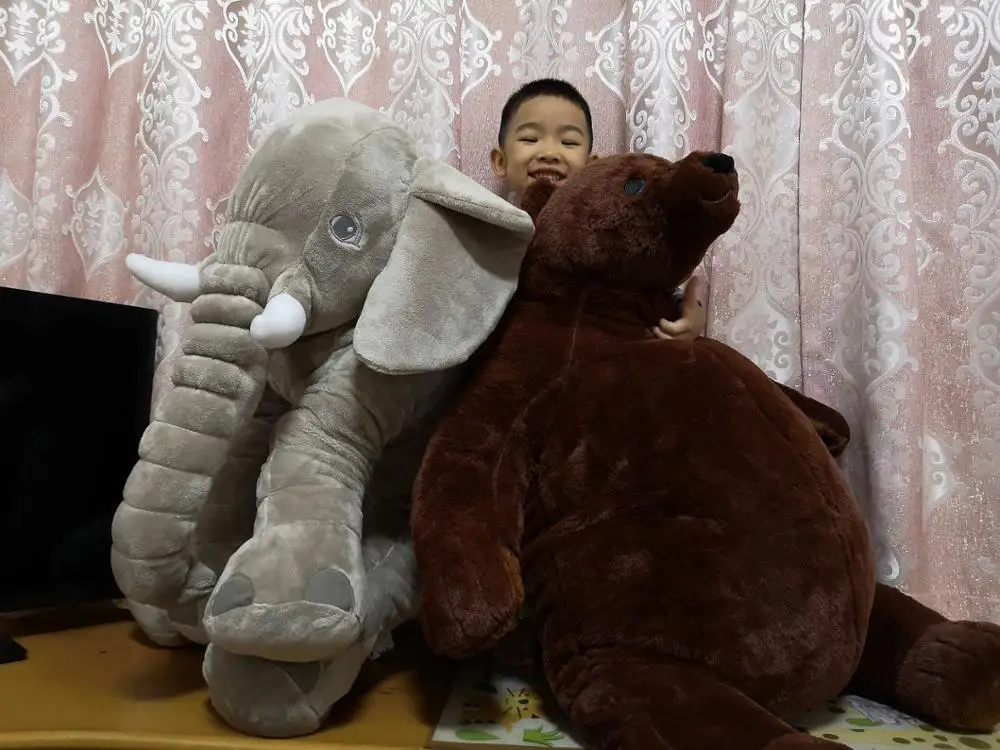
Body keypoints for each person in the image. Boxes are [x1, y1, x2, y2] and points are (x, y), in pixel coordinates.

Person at [490, 78, 708, 341]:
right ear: (500, 161)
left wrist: (690, 316)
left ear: (591, 164)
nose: (549, 153)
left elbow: (651, 279)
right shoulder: (492, 231)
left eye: (568, 142)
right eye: (530, 138)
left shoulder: (607, 227)